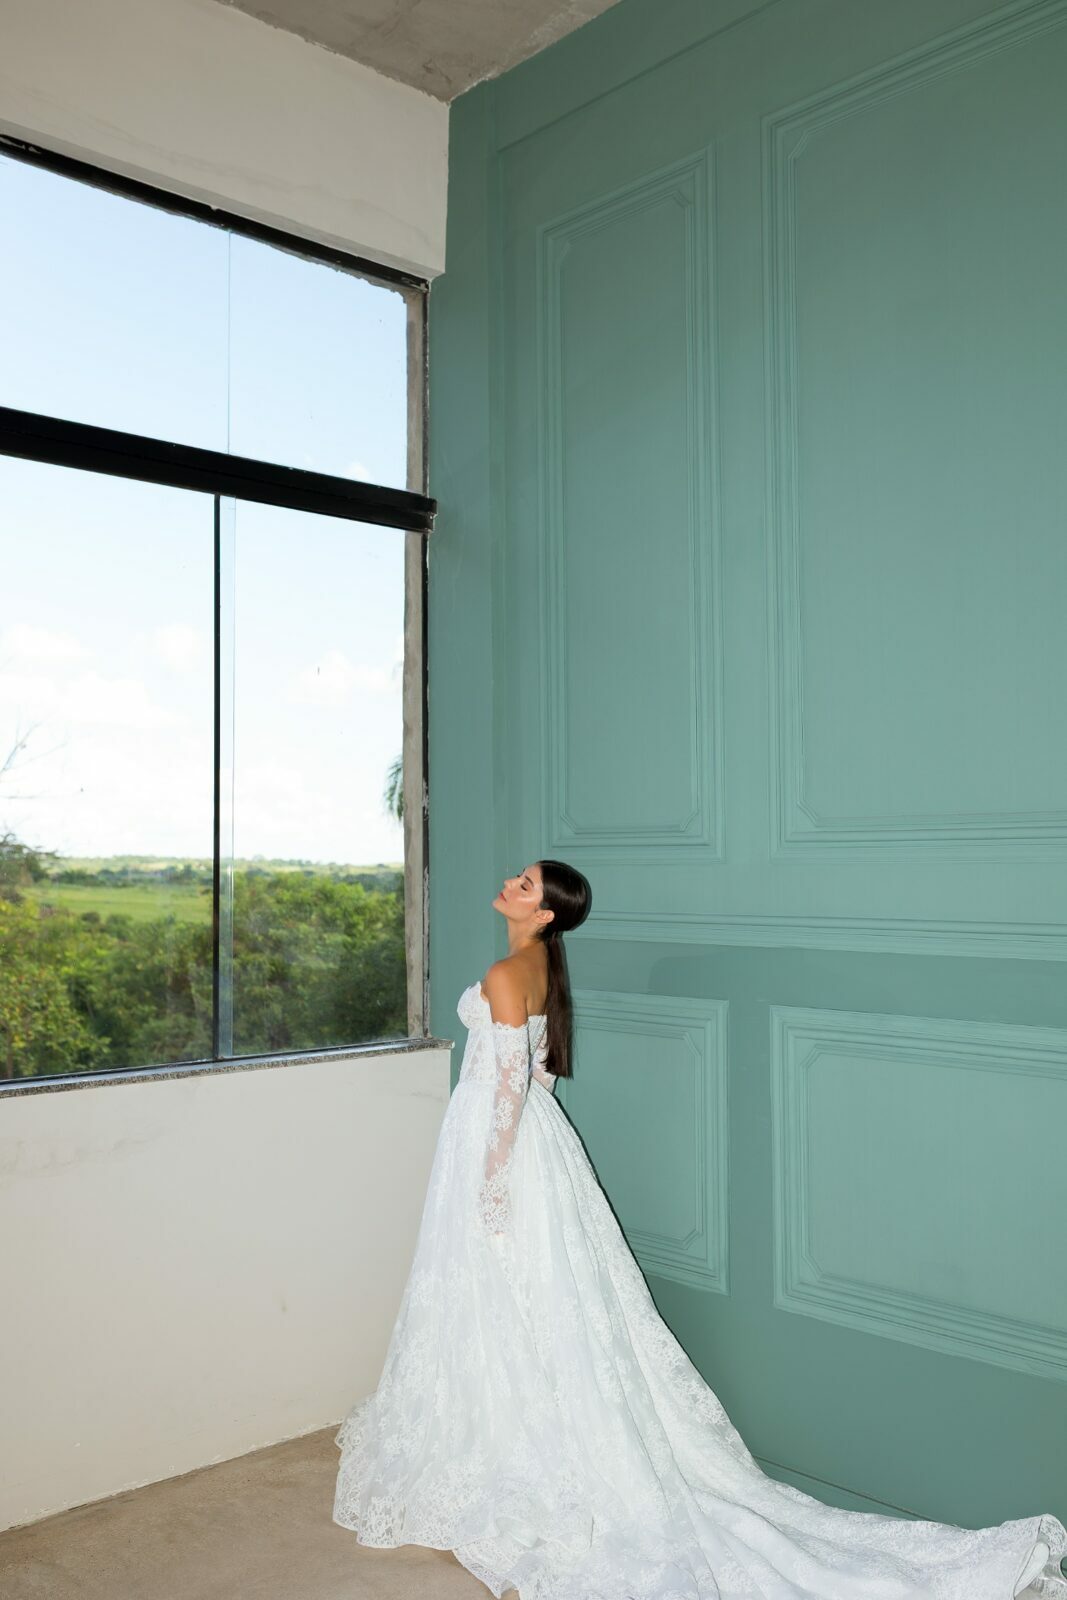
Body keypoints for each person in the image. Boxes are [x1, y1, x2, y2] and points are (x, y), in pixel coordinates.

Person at [333, 858, 1067, 1600]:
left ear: (545, 913)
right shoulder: (545, 969)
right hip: (538, 1147)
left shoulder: (503, 973)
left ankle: (505, 1449)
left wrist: (491, 1186)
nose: (511, 886)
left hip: (502, 1147)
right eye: (519, 879)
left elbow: (507, 1091)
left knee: (504, 1296)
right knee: (542, 1305)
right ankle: (506, 1437)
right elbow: (543, 1073)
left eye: (525, 886)